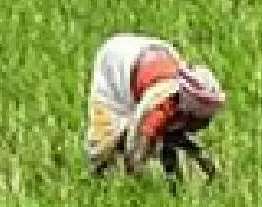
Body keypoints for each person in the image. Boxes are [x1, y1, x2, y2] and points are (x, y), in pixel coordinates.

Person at [86, 33, 226, 186]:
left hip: (147, 56)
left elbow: (174, 135)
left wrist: (201, 157)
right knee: (107, 138)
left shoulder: (181, 103)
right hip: (115, 66)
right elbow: (141, 140)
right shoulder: (161, 109)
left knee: (167, 135)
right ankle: (97, 179)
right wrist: (135, 173)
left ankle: (174, 185)